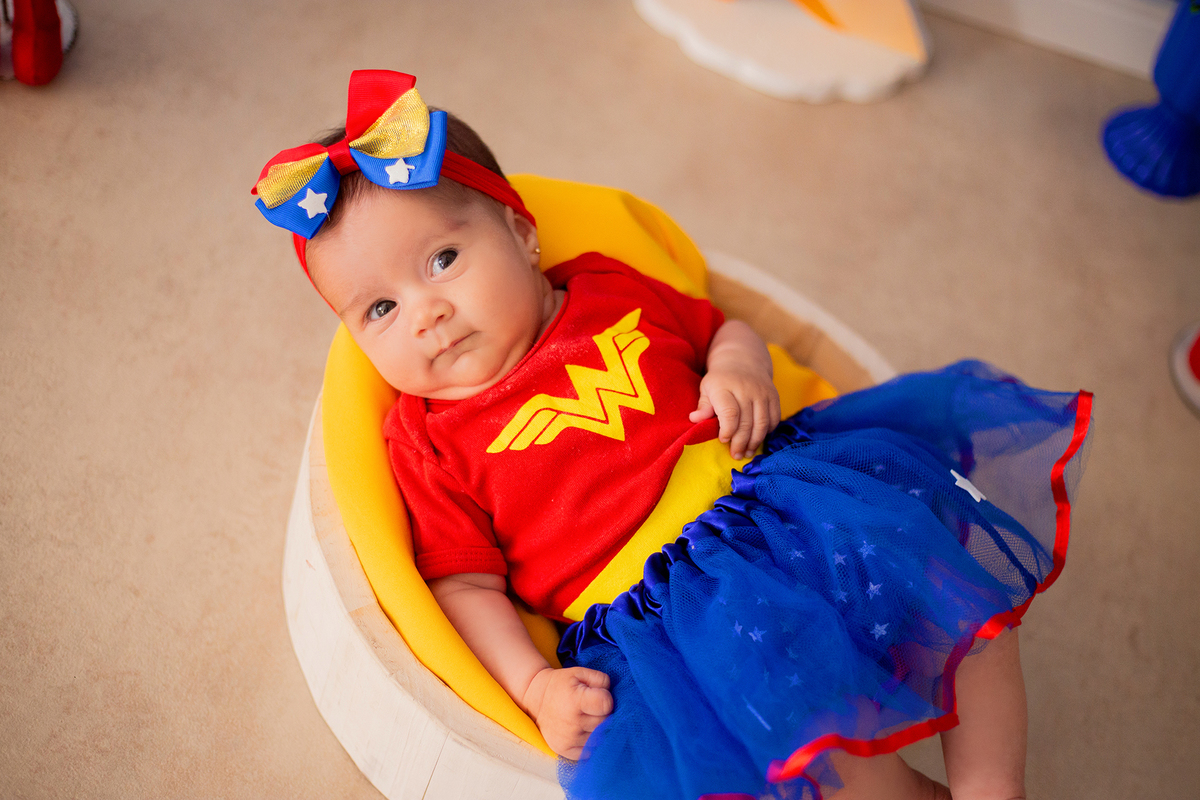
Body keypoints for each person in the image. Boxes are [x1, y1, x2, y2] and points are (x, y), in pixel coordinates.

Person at [254, 71, 1093, 800]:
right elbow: (465, 587)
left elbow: (721, 328)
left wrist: (739, 371)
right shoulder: (427, 440)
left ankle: (992, 785)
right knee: (805, 736)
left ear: (522, 233)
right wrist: (535, 684)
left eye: (442, 260)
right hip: (669, 618)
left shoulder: (602, 289)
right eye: (380, 309)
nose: (426, 313)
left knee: (953, 583)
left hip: (776, 503)